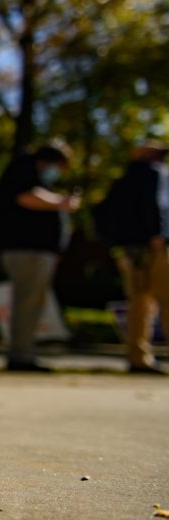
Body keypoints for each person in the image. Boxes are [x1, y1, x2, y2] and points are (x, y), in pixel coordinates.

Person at [0, 140, 79, 372]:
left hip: (36, 251)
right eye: (60, 166)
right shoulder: (23, 168)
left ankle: (24, 353)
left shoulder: (36, 175)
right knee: (27, 302)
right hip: (26, 249)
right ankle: (20, 356)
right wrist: (61, 203)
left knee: (31, 303)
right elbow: (26, 197)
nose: (58, 172)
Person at [97, 140, 169, 375]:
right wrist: (157, 233)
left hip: (129, 249)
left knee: (139, 302)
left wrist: (113, 242)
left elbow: (101, 213)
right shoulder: (156, 173)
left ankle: (138, 358)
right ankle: (139, 357)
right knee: (165, 299)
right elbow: (156, 203)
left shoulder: (121, 181)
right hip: (154, 247)